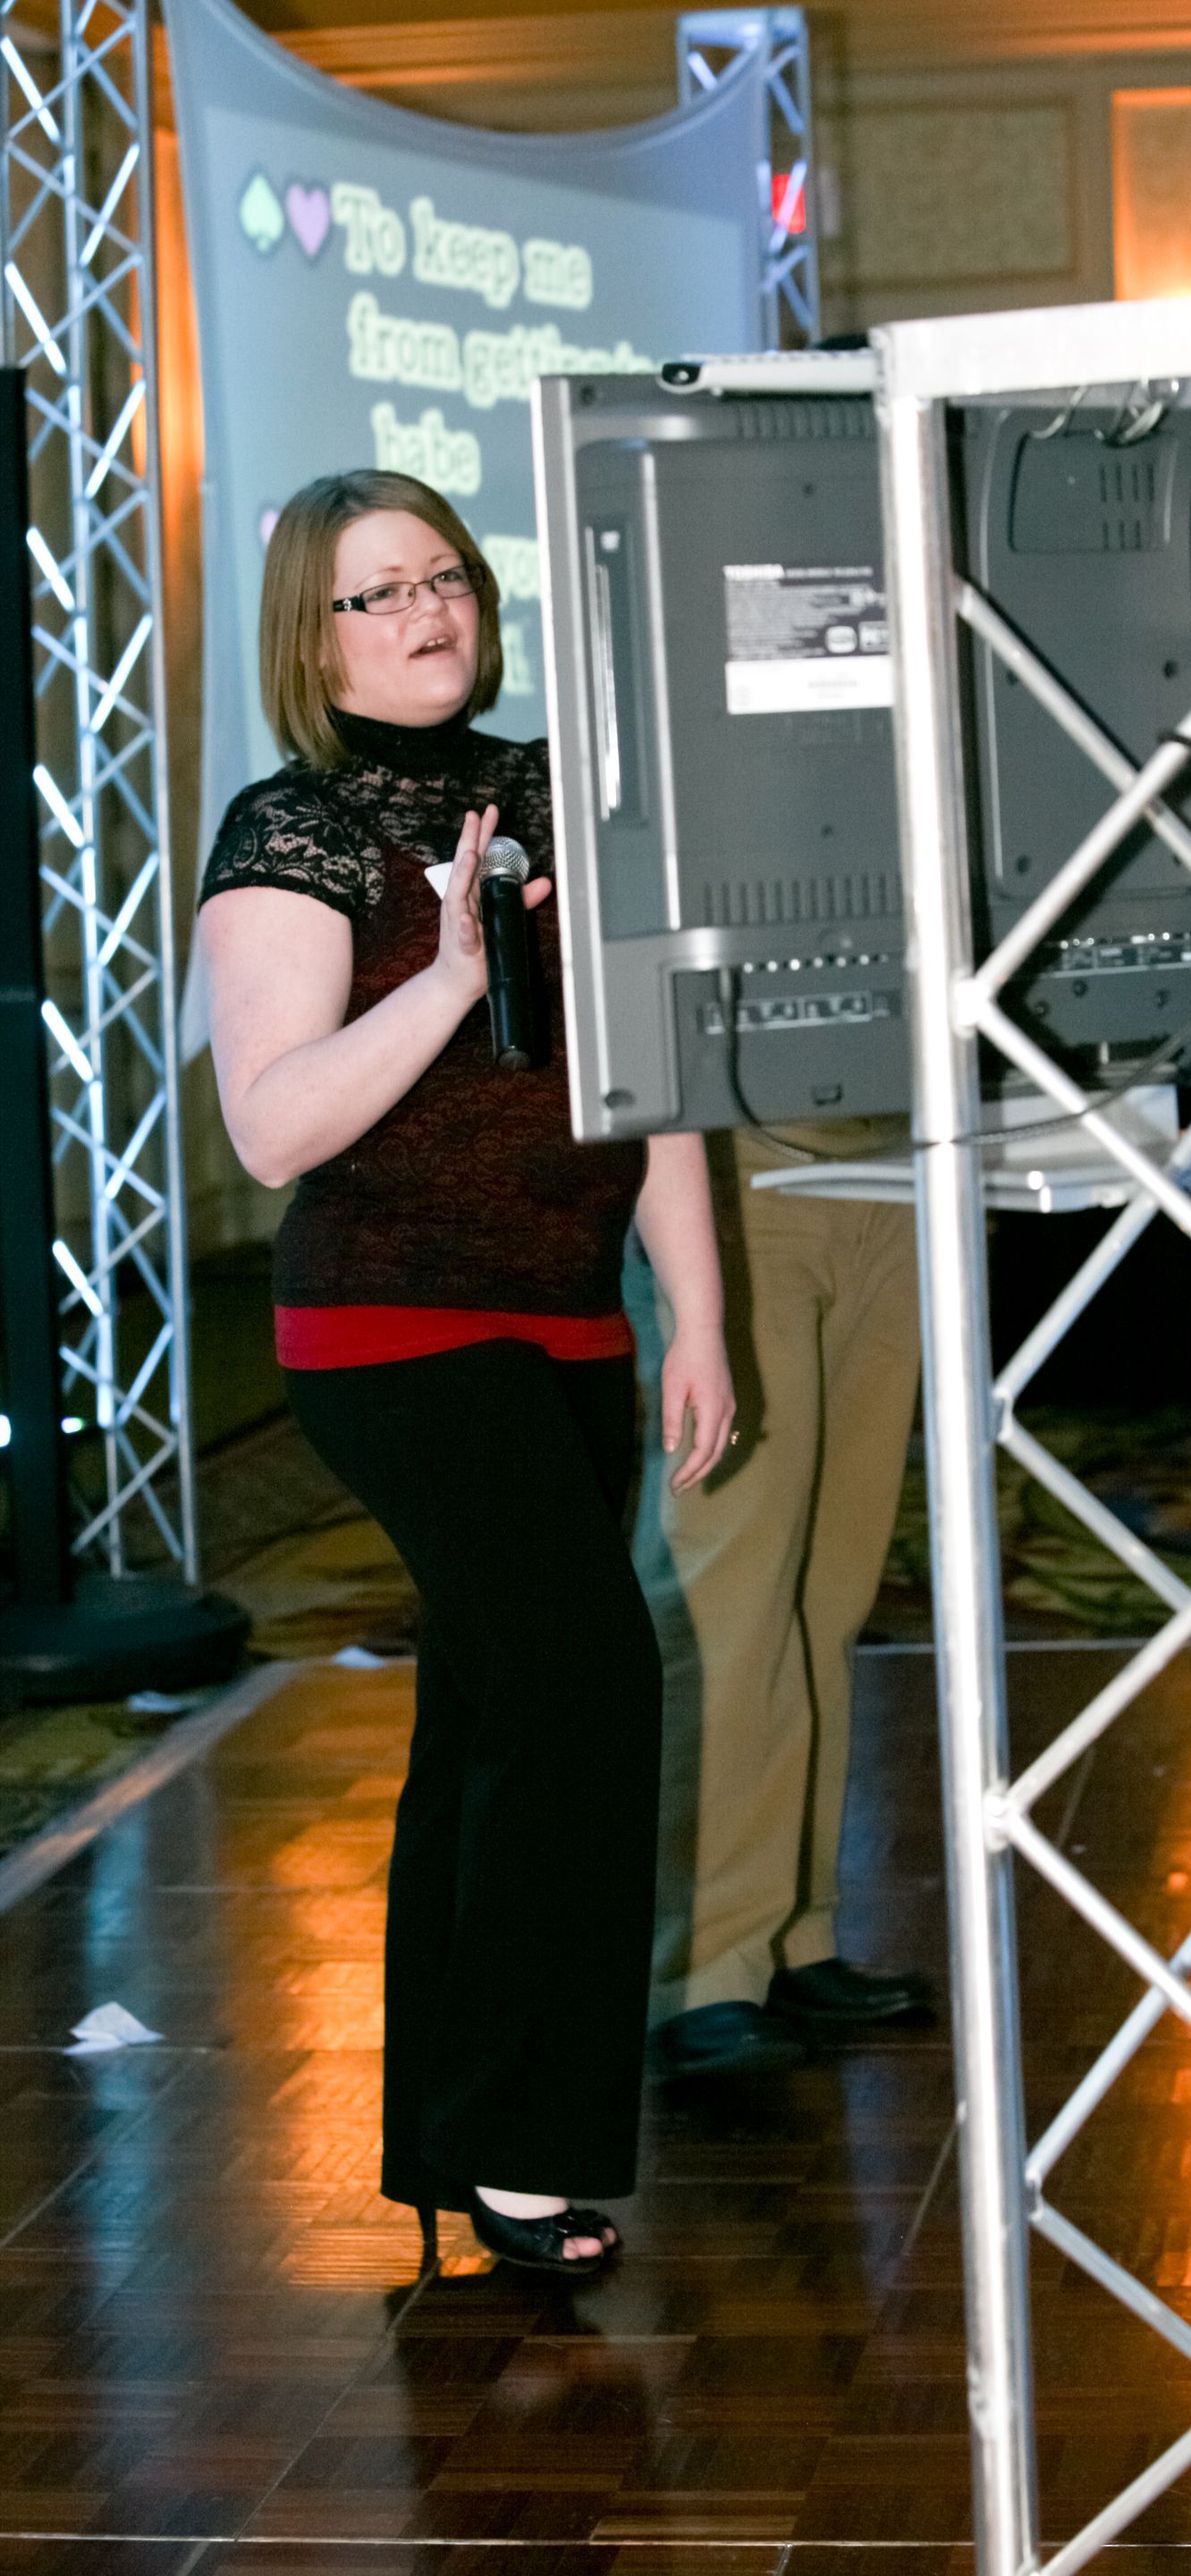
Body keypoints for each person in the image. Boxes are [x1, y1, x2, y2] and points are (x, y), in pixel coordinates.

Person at [199, 469, 735, 2270]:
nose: (430, 613)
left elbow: (644, 1079)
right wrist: (445, 963)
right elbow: (273, 1132)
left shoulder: (555, 788)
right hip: (390, 1331)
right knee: (587, 1689)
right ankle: (526, 2145)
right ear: (311, 632)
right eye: (378, 593)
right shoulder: (291, 832)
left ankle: (444, 2132)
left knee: (499, 1715)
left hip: (573, 1321)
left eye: (446, 578)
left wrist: (702, 1315)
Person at [638, 1115, 931, 2080]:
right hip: (732, 1167)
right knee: (727, 1597)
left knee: (829, 1595)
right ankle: (700, 1970)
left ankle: (790, 1939)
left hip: (898, 1162)